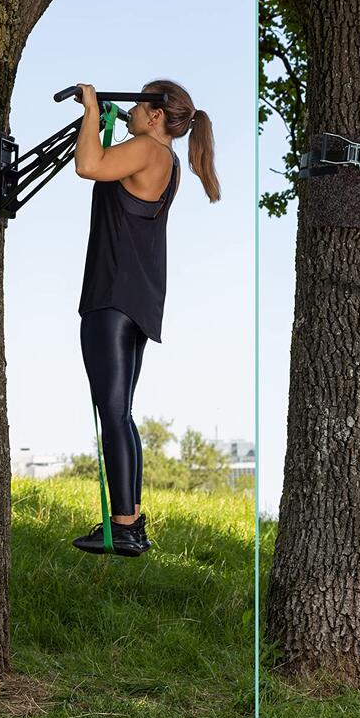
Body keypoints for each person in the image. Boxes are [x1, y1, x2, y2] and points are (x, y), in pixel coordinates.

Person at [70, 79, 220, 556]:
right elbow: (106, 163)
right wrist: (99, 121)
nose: (132, 109)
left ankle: (126, 527)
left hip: (111, 296)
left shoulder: (147, 150)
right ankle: (129, 521)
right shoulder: (167, 163)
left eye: (138, 104)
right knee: (121, 414)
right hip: (136, 301)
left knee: (112, 413)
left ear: (156, 115)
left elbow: (89, 166)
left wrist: (94, 108)